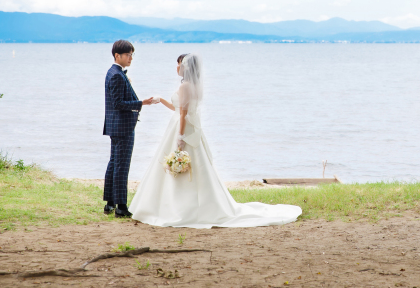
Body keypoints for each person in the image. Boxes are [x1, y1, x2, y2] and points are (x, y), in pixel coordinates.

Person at [129, 53, 301, 228]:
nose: (177, 67)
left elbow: (183, 114)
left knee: (183, 164)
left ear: (186, 67)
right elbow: (178, 108)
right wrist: (161, 100)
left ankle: (176, 207)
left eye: (179, 64)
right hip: (190, 129)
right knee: (197, 167)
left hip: (182, 129)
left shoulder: (185, 86)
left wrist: (180, 137)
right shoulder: (194, 86)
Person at [103, 39, 157, 218]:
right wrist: (142, 103)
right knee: (121, 166)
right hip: (122, 126)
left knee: (114, 163)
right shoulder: (117, 75)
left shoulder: (112, 72)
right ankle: (121, 206)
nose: (131, 58)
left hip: (115, 125)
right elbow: (118, 103)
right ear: (117, 55)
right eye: (128, 54)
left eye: (132, 54)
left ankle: (110, 202)